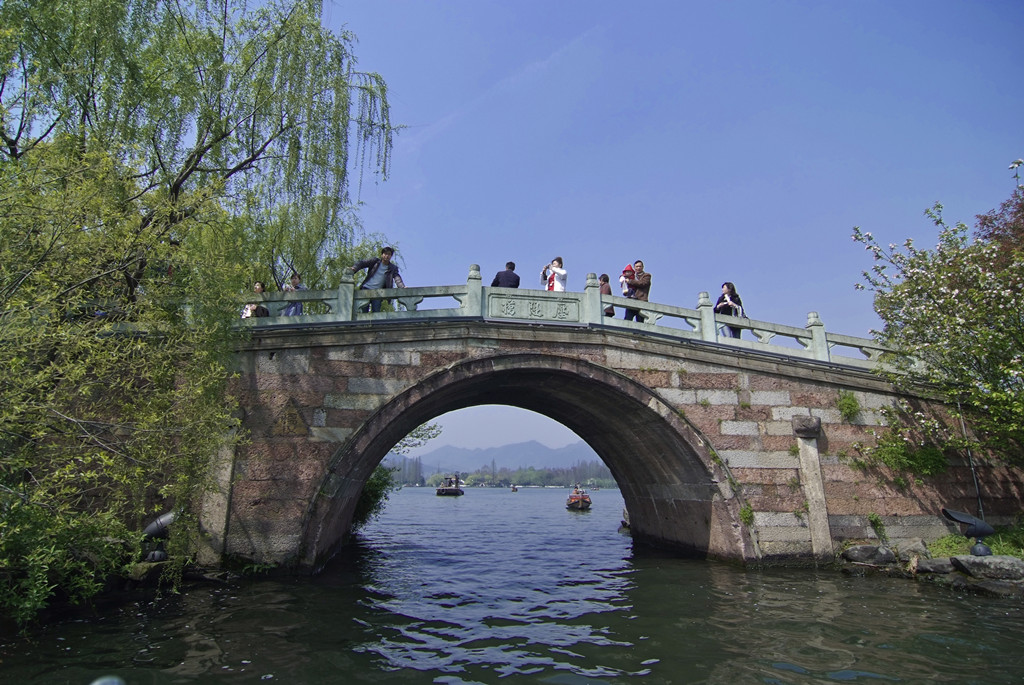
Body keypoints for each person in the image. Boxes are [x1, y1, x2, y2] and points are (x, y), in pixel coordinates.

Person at [352, 246, 406, 312]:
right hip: (366, 288)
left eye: (389, 254)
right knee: (364, 311)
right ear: (382, 255)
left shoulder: (392, 268)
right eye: (385, 254)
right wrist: (354, 268)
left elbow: (397, 278)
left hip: (378, 292)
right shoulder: (374, 261)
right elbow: (362, 263)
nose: (387, 256)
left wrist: (402, 287)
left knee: (376, 311)